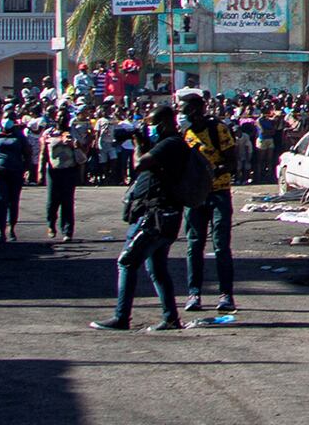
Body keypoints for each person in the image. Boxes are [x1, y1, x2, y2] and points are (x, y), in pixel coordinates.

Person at [90, 103, 188, 332]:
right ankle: (170, 317)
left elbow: (139, 164)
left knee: (127, 261)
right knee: (156, 267)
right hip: (163, 214)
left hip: (156, 215)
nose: (149, 128)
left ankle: (121, 317)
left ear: (163, 123)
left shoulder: (170, 143)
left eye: (152, 124)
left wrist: (136, 145)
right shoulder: (171, 144)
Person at [178, 90, 237, 312]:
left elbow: (232, 161)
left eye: (184, 109)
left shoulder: (218, 129)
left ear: (194, 110)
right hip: (195, 197)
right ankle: (194, 294)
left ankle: (226, 294)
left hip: (219, 193)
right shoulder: (186, 134)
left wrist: (212, 172)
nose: (181, 114)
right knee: (194, 246)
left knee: (221, 246)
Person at [0, 115, 32, 241]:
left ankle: (11, 228)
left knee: (13, 201)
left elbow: (27, 154)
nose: (7, 121)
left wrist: (27, 170)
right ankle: (1, 231)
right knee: (1, 200)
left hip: (15, 172)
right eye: (6, 117)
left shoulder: (19, 136)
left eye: (10, 118)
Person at [41, 113, 88, 240]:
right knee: (52, 201)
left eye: (65, 118)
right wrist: (40, 172)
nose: (62, 120)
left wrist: (74, 145)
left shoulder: (73, 134)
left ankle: (67, 231)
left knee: (67, 202)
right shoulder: (49, 134)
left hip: (69, 170)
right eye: (60, 117)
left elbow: (83, 152)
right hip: (53, 171)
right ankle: (51, 225)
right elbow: (43, 153)